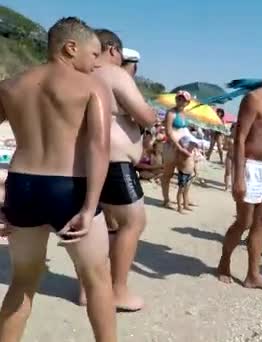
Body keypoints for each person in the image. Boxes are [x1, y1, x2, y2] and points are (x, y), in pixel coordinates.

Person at [0, 17, 116, 341]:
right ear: (70, 47)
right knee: (97, 280)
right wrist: (90, 205)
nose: (96, 64)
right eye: (94, 56)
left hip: (22, 187)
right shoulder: (93, 86)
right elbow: (99, 145)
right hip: (70, 188)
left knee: (22, 282)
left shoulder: (11, 85)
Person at [82, 29, 156, 312]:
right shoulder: (113, 73)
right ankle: (118, 291)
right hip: (114, 162)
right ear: (112, 50)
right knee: (133, 223)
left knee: (100, 225)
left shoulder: (82, 75)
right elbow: (146, 115)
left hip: (86, 162)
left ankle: (87, 290)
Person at [217, 62, 262, 291]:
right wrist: (238, 177)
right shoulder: (253, 99)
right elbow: (239, 139)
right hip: (250, 167)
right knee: (244, 222)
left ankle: (253, 275)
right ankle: (223, 263)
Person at [161, 90, 193, 208]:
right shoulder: (171, 113)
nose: (180, 101)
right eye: (178, 99)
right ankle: (166, 199)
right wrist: (179, 147)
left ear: (187, 102)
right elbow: (169, 132)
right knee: (167, 174)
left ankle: (185, 200)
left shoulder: (185, 114)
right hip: (172, 147)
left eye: (183, 99)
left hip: (182, 147)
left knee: (186, 174)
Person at [176, 136, 199, 214]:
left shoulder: (193, 152)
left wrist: (196, 172)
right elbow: (179, 148)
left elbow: (194, 162)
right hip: (183, 173)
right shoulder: (184, 152)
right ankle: (179, 207)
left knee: (186, 190)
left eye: (194, 145)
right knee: (181, 190)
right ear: (187, 144)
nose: (193, 146)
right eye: (192, 144)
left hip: (189, 173)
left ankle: (185, 204)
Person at [224, 124, 236, 191]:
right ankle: (226, 187)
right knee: (228, 171)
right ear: (232, 129)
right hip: (229, 156)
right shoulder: (228, 137)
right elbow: (224, 147)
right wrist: (229, 145)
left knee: (234, 173)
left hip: (236, 157)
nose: (235, 130)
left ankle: (232, 187)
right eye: (234, 128)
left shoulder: (239, 138)